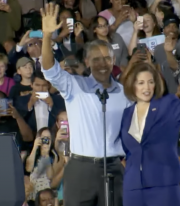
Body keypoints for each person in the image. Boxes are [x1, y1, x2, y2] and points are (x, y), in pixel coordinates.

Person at [40, 3, 131, 206]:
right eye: (96, 59)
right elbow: (49, 70)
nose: (102, 64)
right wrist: (47, 36)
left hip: (115, 168)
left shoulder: (125, 94)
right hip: (81, 167)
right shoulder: (75, 86)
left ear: (113, 60)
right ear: (87, 62)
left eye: (106, 59)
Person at [119, 54, 180, 206]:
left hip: (163, 184)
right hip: (133, 188)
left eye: (150, 82)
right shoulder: (127, 114)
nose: (146, 88)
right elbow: (128, 150)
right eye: (141, 83)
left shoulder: (168, 105)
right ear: (132, 85)